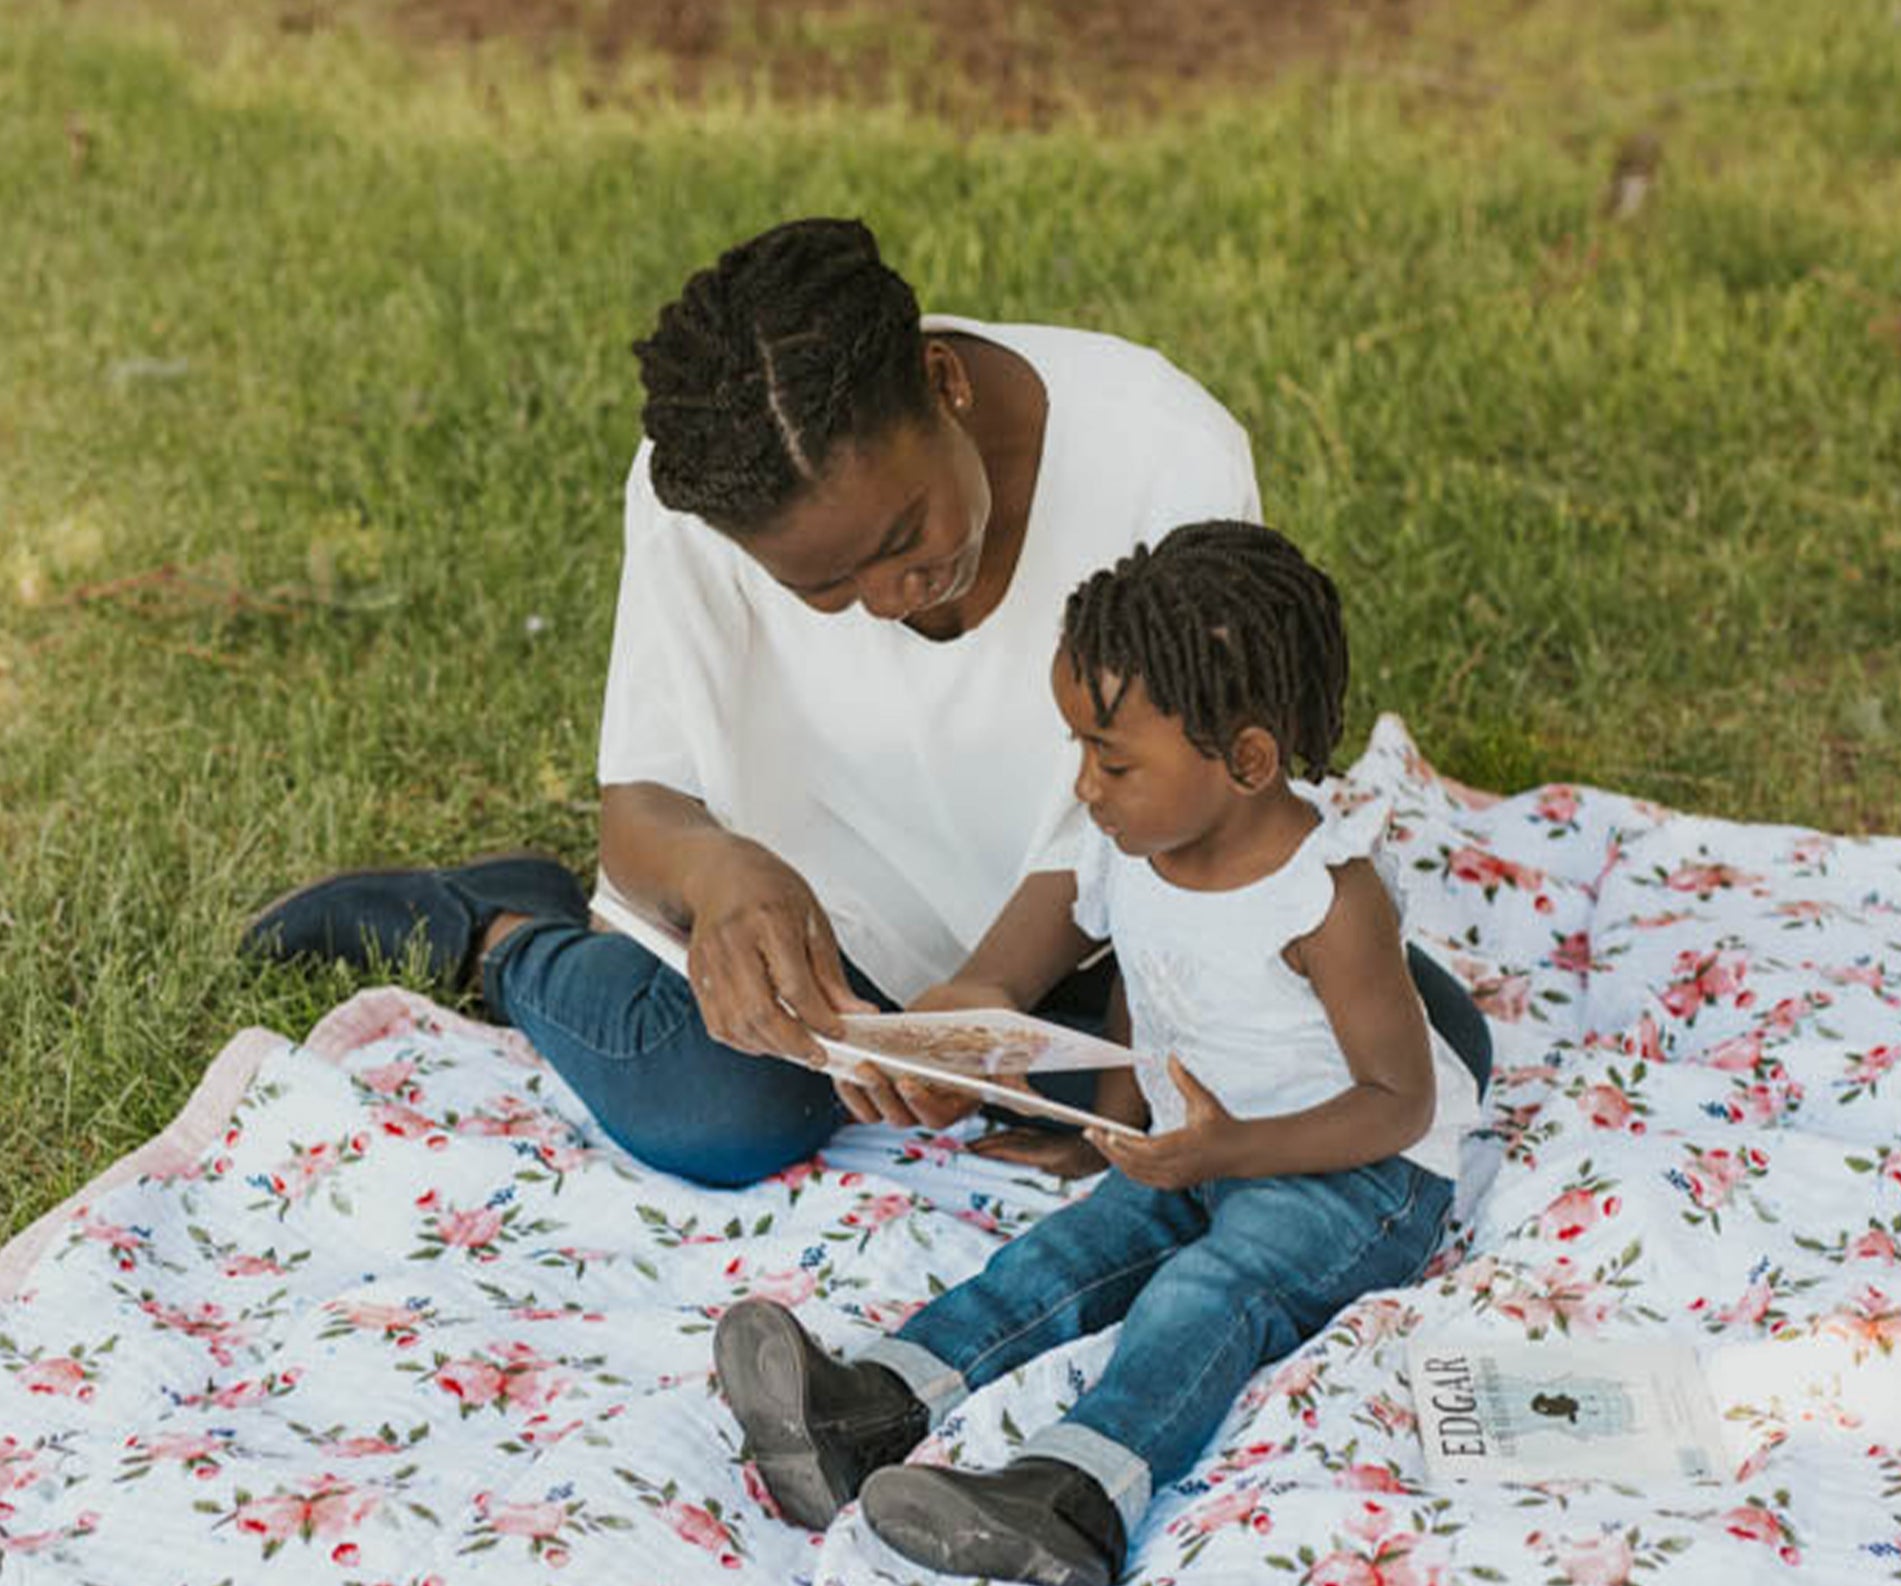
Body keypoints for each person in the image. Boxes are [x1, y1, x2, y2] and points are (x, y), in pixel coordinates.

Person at [246, 217, 1487, 1186]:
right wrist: (725, 874)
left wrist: (993, 993)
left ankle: (1027, 1048)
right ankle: (495, 930)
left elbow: (1196, 786)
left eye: (904, 535)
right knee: (714, 1110)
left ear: (944, 384)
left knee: (1422, 1045)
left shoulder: (1162, 445)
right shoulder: (696, 496)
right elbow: (643, 806)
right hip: (834, 954)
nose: (892, 594)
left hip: (1108, 930)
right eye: (824, 585)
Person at [714, 522, 1483, 1586]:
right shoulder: (1129, 848)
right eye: (1077, 746)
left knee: (1206, 1288)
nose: (1083, 784)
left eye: (1110, 758)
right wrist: (1107, 1121)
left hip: (1353, 1176)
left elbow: (1398, 1103)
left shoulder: (1325, 898)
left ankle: (1074, 1495)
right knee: (1063, 1256)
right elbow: (1144, 982)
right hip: (1198, 1147)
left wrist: (1233, 1149)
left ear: (1248, 761)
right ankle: (868, 1406)